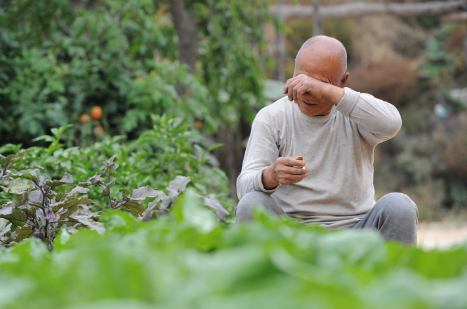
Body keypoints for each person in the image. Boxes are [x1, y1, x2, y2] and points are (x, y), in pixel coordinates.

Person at [236, 35, 418, 245]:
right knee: (252, 203)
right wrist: (271, 174)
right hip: (291, 236)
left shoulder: (355, 112)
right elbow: (244, 190)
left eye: (319, 83)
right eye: (301, 79)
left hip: (357, 235)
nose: (306, 91)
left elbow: (392, 122)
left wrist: (328, 92)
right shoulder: (272, 117)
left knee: (400, 205)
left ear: (342, 81)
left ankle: (397, 277)